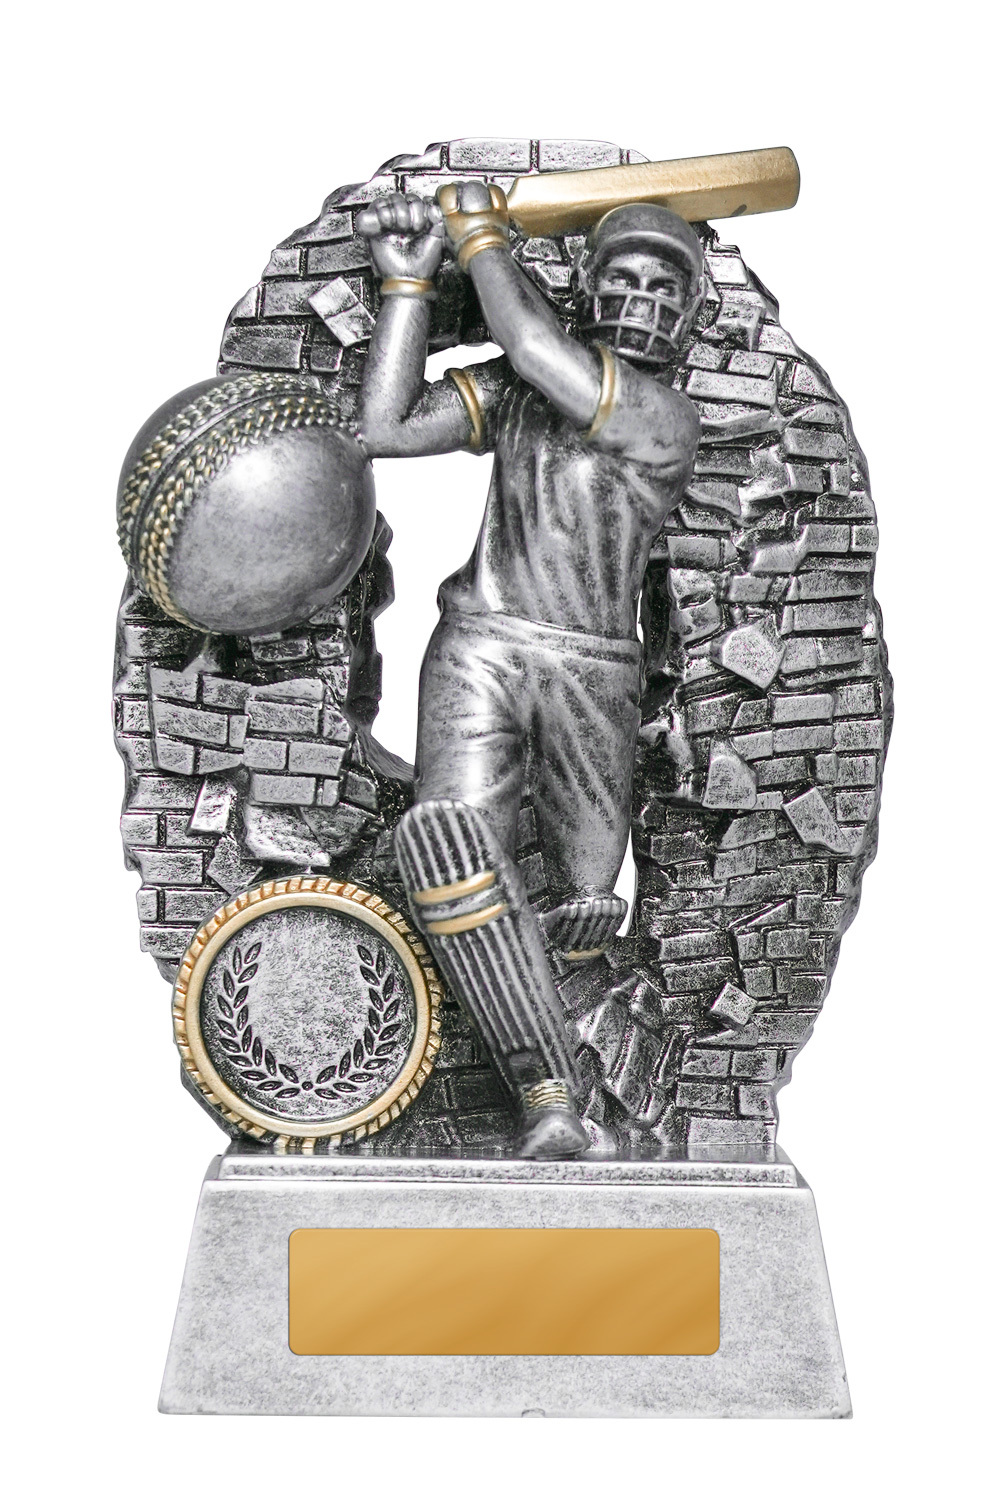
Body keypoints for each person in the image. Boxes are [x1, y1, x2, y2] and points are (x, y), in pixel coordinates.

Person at [357, 181, 704, 1157]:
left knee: (583, 912)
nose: (640, 302)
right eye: (622, 279)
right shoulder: (523, 393)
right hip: (483, 646)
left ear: (689, 318)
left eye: (664, 289)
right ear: (588, 289)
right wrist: (406, 285)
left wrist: (478, 234)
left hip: (593, 676)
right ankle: (547, 1095)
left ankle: (585, 1092)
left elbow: (532, 346)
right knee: (451, 847)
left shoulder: (663, 416)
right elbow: (384, 427)